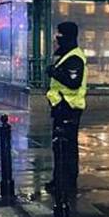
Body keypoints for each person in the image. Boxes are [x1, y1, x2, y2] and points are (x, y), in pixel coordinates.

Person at [45, 21, 87, 197]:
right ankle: (59, 180)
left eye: (60, 35)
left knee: (67, 148)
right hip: (62, 108)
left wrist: (54, 72)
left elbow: (73, 82)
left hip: (69, 108)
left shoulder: (75, 58)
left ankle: (66, 183)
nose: (57, 38)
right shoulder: (68, 55)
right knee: (60, 147)